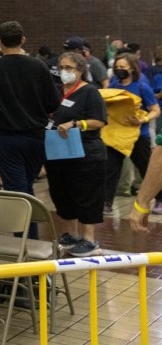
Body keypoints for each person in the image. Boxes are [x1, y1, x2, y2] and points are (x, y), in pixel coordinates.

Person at [0, 21, 59, 206]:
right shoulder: (39, 66)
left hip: (6, 138)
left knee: (18, 193)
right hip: (36, 137)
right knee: (26, 188)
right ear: (23, 40)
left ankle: (25, 233)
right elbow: (53, 103)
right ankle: (28, 233)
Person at [45, 51, 107, 257]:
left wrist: (76, 124)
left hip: (85, 153)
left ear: (80, 71)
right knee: (62, 194)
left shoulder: (90, 92)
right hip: (58, 153)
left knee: (86, 195)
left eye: (69, 68)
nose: (64, 72)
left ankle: (89, 240)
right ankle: (71, 235)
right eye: (61, 68)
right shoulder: (56, 91)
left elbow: (99, 120)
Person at [102, 52, 161, 214]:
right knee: (111, 168)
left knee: (146, 168)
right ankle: (106, 202)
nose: (119, 70)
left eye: (123, 67)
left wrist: (142, 119)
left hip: (138, 136)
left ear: (132, 69)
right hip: (116, 135)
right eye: (117, 67)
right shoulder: (113, 86)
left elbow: (155, 110)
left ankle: (160, 199)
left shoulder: (143, 87)